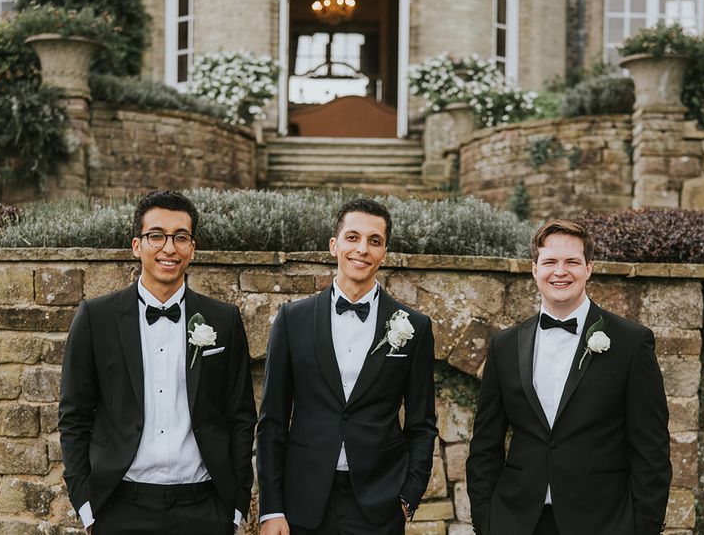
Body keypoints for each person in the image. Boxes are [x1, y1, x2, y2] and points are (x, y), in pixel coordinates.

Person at [59, 190, 257, 535]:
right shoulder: (96, 317)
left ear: (192, 248)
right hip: (120, 507)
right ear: (137, 245)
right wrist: (86, 506)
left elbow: (240, 415)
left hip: (205, 507)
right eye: (157, 236)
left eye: (181, 237)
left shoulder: (223, 320)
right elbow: (74, 414)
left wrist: (236, 505)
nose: (169, 248)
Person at [466, 219, 671, 535]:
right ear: (535, 268)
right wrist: (486, 518)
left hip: (604, 522)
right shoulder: (504, 345)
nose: (560, 271)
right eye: (550, 262)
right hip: (516, 521)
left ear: (589, 268)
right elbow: (485, 444)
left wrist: (643, 526)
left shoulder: (631, 343)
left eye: (572, 262)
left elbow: (651, 448)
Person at [257, 197, 438, 535]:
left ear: (384, 252)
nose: (362, 250)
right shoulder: (292, 319)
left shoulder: (414, 326)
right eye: (352, 237)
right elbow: (272, 421)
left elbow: (422, 424)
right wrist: (271, 508)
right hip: (303, 501)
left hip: (379, 505)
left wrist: (408, 494)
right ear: (334, 245)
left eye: (375, 241)